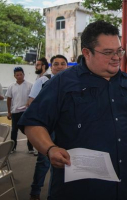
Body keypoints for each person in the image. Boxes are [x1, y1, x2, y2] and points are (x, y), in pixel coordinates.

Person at [19, 20, 127, 200]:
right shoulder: (62, 83)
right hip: (80, 191)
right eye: (108, 52)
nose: (117, 57)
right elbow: (33, 123)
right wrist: (50, 149)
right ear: (87, 53)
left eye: (119, 51)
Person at [28, 55, 68, 200]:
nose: (59, 66)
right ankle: (35, 192)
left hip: (66, 129)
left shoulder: (71, 82)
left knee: (63, 163)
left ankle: (56, 194)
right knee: (44, 162)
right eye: (56, 64)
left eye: (63, 63)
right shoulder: (43, 81)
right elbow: (31, 103)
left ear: (67, 66)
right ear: (51, 67)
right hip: (48, 129)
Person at [6, 67, 33, 153]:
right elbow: (9, 99)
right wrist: (9, 112)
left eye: (21, 74)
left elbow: (32, 98)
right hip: (15, 112)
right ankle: (13, 148)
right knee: (14, 130)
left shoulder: (30, 85)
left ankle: (30, 148)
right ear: (14, 76)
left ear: (23, 75)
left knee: (29, 130)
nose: (19, 76)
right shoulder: (11, 86)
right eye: (17, 75)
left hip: (26, 112)